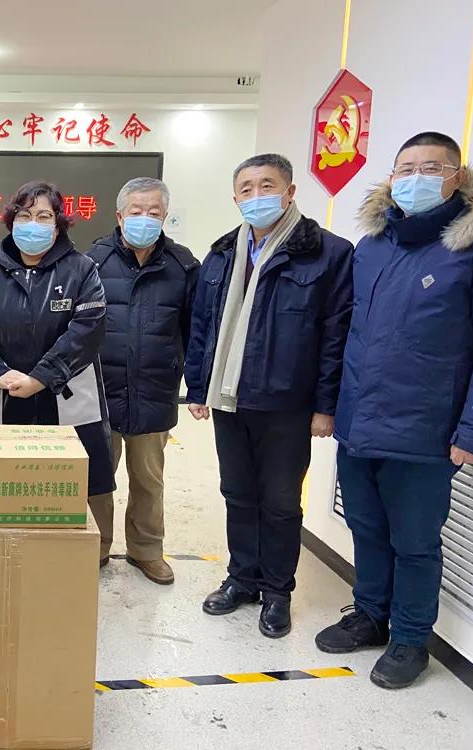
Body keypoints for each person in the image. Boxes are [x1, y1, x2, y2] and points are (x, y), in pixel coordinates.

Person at [315, 132, 473, 689]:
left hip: (426, 429)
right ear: (390, 178)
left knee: (414, 541)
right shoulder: (372, 247)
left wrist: (472, 430)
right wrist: (332, 406)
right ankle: (370, 614)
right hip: (360, 421)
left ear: (456, 178)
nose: (416, 178)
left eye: (431, 168)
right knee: (365, 525)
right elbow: (347, 332)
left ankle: (411, 639)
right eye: (406, 169)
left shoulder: (472, 250)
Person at [185, 154, 353, 638]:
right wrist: (198, 387)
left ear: (290, 191)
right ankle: (242, 579)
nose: (257, 196)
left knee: (280, 501)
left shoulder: (328, 253)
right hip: (229, 399)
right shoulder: (222, 254)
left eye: (267, 185)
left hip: (287, 403)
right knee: (237, 494)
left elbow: (335, 336)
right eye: (247, 188)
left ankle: (277, 592)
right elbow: (203, 325)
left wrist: (325, 406)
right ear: (235, 197)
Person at [0, 181, 115, 548]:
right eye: (25, 215)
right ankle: (16, 552)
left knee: (81, 481)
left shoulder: (82, 269)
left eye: (44, 216)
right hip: (6, 394)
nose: (33, 224)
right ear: (11, 221)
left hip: (68, 395)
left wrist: (41, 378)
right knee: (11, 480)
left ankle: (90, 552)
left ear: (59, 224)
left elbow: (87, 331)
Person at [88, 178, 200, 584]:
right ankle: (96, 546)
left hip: (155, 389)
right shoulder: (93, 261)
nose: (145, 218)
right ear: (120, 216)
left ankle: (146, 550)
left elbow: (195, 331)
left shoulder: (183, 266)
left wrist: (193, 383)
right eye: (136, 211)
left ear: (164, 216)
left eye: (154, 212)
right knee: (98, 479)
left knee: (149, 479)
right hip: (100, 392)